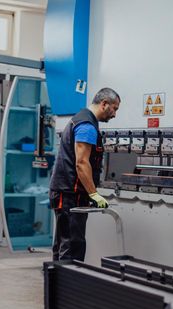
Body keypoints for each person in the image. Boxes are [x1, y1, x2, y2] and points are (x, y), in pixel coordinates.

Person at [49, 88, 121, 261]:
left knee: (64, 243)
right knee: (72, 245)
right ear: (104, 104)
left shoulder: (83, 120)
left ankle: (58, 285)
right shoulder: (87, 126)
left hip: (67, 192)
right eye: (115, 108)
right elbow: (81, 163)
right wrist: (93, 194)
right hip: (70, 194)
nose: (115, 114)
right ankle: (68, 285)